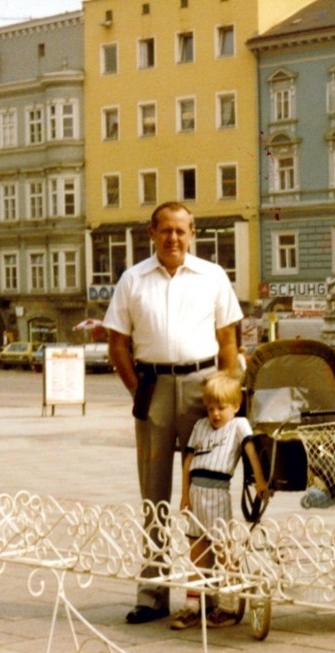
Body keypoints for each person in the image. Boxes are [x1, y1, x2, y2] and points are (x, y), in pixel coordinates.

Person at [104, 201, 243, 625]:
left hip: (204, 391)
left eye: (181, 231)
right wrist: (137, 390)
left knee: (208, 492)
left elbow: (228, 340)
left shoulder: (212, 276)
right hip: (154, 388)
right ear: (151, 233)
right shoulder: (133, 280)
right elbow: (117, 345)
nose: (173, 239)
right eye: (165, 230)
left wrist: (229, 392)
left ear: (192, 233)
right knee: (155, 495)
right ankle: (153, 592)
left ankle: (213, 594)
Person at [170, 372, 266, 630]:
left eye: (222, 408)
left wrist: (260, 481)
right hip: (197, 493)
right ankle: (192, 606)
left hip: (217, 492)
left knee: (224, 550)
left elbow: (250, 453)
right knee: (196, 552)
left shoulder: (239, 426)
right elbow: (188, 462)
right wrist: (184, 494)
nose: (215, 414)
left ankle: (228, 604)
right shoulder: (201, 426)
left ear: (235, 405)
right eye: (211, 408)